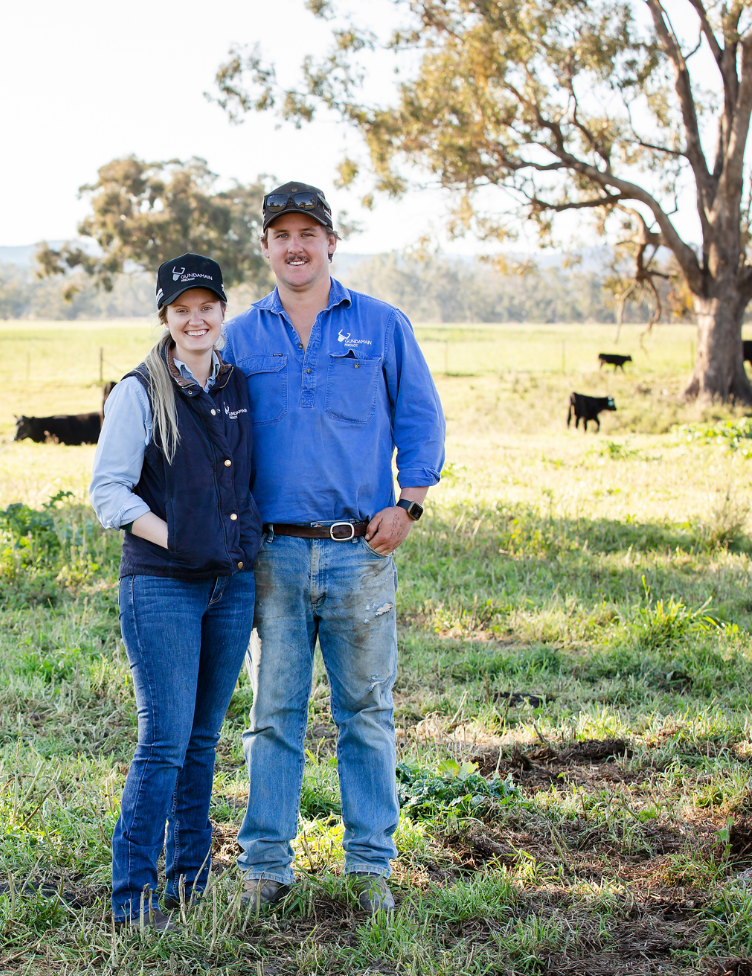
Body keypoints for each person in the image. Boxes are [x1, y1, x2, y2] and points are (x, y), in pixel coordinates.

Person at [221, 182, 446, 912]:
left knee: (365, 713)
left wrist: (408, 503)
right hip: (272, 554)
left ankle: (370, 867)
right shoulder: (238, 336)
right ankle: (265, 868)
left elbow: (419, 415)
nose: (294, 245)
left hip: (359, 551)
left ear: (329, 242)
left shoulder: (380, 325)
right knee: (272, 714)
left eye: (307, 233)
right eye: (280, 234)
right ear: (264, 246)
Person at [89, 253, 262, 931]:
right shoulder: (138, 390)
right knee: (162, 740)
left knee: (201, 741)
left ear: (222, 313)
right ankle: (132, 900)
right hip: (162, 585)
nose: (195, 320)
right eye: (180, 309)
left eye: (206, 307)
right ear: (165, 317)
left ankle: (187, 887)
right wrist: (181, 539)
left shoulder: (237, 386)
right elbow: (108, 494)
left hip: (230, 587)